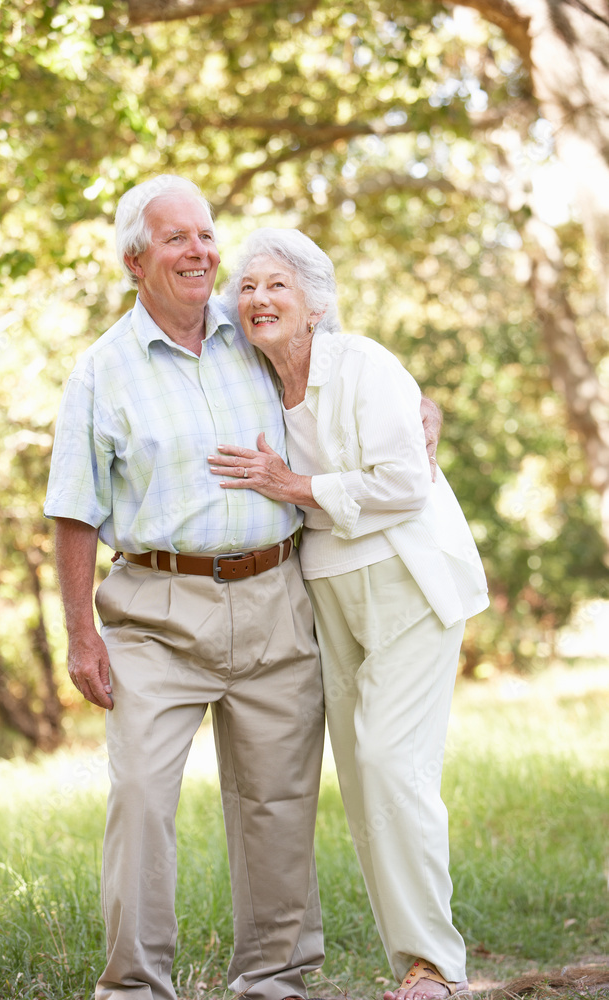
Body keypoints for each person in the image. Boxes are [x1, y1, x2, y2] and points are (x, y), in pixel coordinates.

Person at [44, 176, 327, 1000]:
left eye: (205, 234)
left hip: (275, 597)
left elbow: (347, 373)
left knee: (277, 801)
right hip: (156, 614)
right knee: (139, 794)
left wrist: (421, 411)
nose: (200, 251)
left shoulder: (257, 330)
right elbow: (72, 513)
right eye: (176, 238)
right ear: (136, 262)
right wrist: (80, 635)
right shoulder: (101, 372)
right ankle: (134, 986)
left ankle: (273, 979)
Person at [209, 228, 489, 1000]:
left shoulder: (362, 363)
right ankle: (416, 962)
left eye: (277, 285)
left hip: (408, 580)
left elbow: (403, 482)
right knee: (364, 780)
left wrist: (293, 485)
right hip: (326, 591)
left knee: (391, 762)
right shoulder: (251, 376)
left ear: (315, 305)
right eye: (248, 287)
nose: (259, 298)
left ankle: (439, 967)